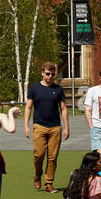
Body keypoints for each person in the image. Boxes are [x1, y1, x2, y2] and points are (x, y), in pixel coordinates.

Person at [24, 61, 69, 192]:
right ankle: (37, 174)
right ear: (42, 73)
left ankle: (48, 183)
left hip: (55, 127)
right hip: (39, 126)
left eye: (53, 74)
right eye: (48, 74)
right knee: (39, 155)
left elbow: (64, 109)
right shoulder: (34, 88)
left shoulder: (58, 89)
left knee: (53, 157)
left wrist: (66, 127)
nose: (50, 76)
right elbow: (28, 107)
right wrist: (26, 126)